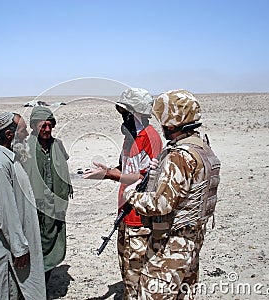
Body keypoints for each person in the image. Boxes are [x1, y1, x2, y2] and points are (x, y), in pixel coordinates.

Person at [124, 89, 221, 299]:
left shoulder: (180, 155)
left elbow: (161, 204)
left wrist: (131, 195)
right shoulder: (202, 148)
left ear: (171, 122)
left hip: (171, 245)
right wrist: (156, 174)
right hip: (192, 241)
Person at [83, 87, 163, 299]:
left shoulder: (150, 138)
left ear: (135, 113)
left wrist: (109, 174)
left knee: (139, 277)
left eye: (125, 113)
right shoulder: (130, 137)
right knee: (128, 273)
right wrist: (105, 171)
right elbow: (125, 169)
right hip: (125, 215)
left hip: (141, 219)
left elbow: (143, 178)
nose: (122, 117)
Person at [0, 112, 46, 300]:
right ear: (9, 135)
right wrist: (19, 248)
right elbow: (5, 210)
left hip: (20, 242)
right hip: (9, 249)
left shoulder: (13, 159)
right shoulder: (0, 164)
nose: (27, 134)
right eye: (23, 130)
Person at [23, 106, 73, 286]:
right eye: (43, 126)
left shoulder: (57, 145)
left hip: (54, 206)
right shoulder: (24, 148)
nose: (47, 130)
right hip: (33, 207)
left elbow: (63, 168)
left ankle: (44, 280)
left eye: (50, 125)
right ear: (34, 126)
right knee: (33, 245)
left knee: (52, 242)